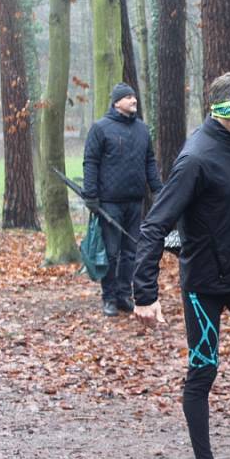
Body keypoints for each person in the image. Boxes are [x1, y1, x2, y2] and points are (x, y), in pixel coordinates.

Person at [133, 72, 230, 459]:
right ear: (229, 112)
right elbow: (154, 225)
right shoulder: (196, 157)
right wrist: (145, 292)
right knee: (203, 372)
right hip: (204, 287)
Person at [82, 82, 162, 317]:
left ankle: (124, 295)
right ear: (116, 102)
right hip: (109, 202)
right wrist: (91, 195)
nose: (133, 100)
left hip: (135, 201)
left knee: (131, 252)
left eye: (134, 96)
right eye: (128, 97)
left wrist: (158, 190)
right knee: (111, 252)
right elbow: (91, 162)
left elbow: (149, 161)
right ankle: (108, 297)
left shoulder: (142, 130)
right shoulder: (100, 128)